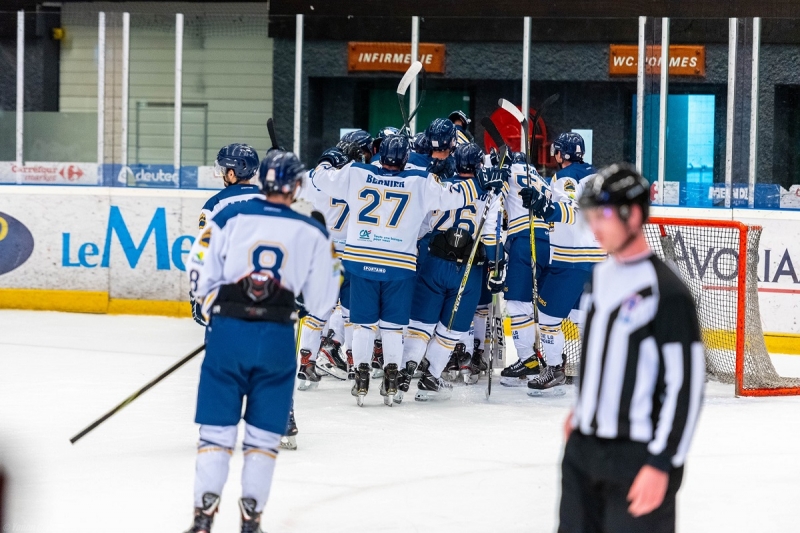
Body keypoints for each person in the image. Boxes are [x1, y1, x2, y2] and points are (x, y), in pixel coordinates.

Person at [184, 151, 339, 533]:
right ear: (297, 186)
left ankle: (203, 519)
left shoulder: (227, 217)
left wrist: (208, 310)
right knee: (261, 441)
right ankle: (251, 520)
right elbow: (323, 301)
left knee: (216, 435)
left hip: (228, 336)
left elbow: (197, 265)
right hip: (276, 341)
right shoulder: (312, 231)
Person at [559, 163, 705, 533]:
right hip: (583, 454)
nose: (595, 224)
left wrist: (662, 463)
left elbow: (685, 387)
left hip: (636, 458)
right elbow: (597, 358)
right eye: (591, 214)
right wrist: (582, 412)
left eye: (603, 214)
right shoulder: (599, 277)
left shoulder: (667, 292)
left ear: (634, 215)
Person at [312, 134, 504, 406]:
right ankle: (397, 379)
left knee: (365, 324)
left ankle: (363, 376)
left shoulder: (356, 173)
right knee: (394, 327)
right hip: (402, 265)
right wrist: (484, 184)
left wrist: (328, 159)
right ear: (405, 159)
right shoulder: (421, 183)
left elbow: (320, 178)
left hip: (363, 259)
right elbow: (457, 195)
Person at [401, 142, 504, 400]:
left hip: (433, 262)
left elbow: (422, 227)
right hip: (467, 270)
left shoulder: (442, 187)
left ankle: (403, 374)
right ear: (480, 165)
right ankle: (431, 377)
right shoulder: (490, 193)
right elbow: (491, 235)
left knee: (420, 325)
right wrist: (496, 266)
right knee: (450, 330)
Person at [519, 132, 605, 394]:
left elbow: (572, 208)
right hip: (598, 257)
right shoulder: (596, 174)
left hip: (572, 259)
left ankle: (555, 369)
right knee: (583, 317)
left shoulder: (566, 177)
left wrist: (547, 209)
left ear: (563, 154)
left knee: (547, 318)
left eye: (556, 150)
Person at [499, 151, 552, 386]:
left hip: (524, 239)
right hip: (548, 242)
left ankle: (528, 359)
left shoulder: (509, 172)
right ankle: (551, 361)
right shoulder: (543, 180)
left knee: (517, 303)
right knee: (538, 304)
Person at [193, 143, 261, 326]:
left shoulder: (214, 205)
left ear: (232, 173)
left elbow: (206, 249)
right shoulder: (270, 200)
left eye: (224, 168)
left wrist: (198, 289)